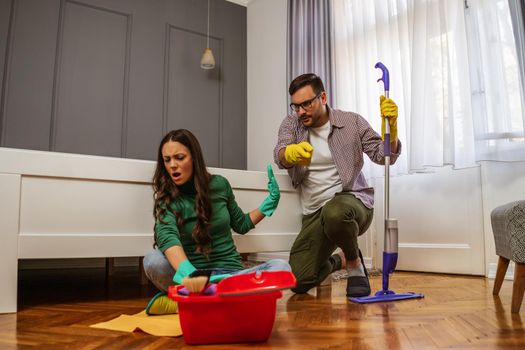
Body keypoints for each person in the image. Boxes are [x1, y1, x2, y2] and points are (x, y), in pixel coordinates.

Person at [273, 73, 400, 297]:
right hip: (314, 212)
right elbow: (280, 152)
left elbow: (383, 156)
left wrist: (392, 130)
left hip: (351, 203)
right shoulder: (291, 124)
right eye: (296, 107)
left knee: (335, 212)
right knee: (298, 281)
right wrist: (289, 154)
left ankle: (353, 263)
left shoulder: (351, 122)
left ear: (322, 97)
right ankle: (338, 260)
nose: (300, 112)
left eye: (306, 104)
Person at [143, 128, 291, 314]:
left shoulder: (220, 185)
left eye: (179, 158)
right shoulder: (166, 198)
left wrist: (268, 204)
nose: (172, 165)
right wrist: (191, 275)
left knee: (282, 267)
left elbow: (241, 224)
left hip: (231, 274)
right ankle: (226, 297)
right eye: (167, 160)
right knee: (152, 261)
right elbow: (167, 236)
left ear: (194, 158)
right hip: (192, 278)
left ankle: (192, 300)